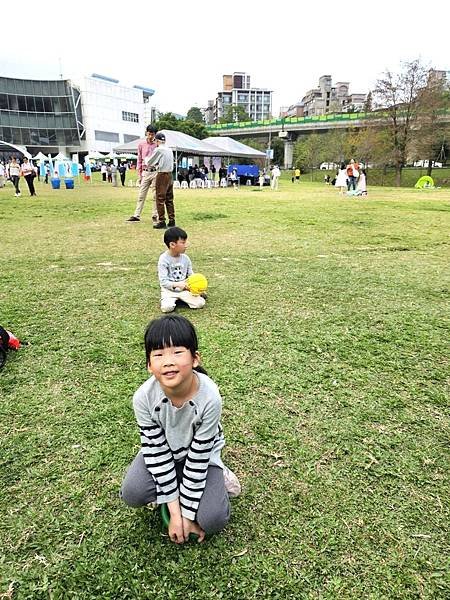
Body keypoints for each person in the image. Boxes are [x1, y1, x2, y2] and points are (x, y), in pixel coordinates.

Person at [120, 314, 240, 544]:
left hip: (201, 457)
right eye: (158, 354)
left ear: (195, 359)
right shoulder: (143, 399)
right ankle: (171, 486)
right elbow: (157, 452)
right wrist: (175, 513)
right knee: (133, 493)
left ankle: (220, 476)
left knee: (213, 519)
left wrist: (186, 515)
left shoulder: (210, 398)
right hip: (164, 452)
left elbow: (198, 457)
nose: (168, 361)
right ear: (149, 365)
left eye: (177, 352)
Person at [157, 226, 205, 312]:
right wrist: (177, 284)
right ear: (172, 245)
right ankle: (169, 299)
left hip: (185, 290)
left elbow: (191, 275)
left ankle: (183, 299)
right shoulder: (163, 259)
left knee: (200, 303)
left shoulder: (186, 258)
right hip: (169, 291)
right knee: (167, 308)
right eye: (183, 243)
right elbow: (163, 282)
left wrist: (197, 286)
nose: (186, 245)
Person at [127, 125, 158, 223]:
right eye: (149, 134)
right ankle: (136, 215)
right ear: (146, 133)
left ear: (155, 134)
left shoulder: (157, 145)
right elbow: (139, 160)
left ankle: (155, 215)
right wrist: (139, 174)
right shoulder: (141, 145)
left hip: (155, 171)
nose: (150, 136)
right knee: (141, 195)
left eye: (152, 134)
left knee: (155, 195)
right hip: (145, 172)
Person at [146, 132, 175, 229]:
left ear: (157, 141)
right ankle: (172, 220)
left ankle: (162, 220)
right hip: (170, 174)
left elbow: (150, 162)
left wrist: (146, 159)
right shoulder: (170, 150)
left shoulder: (158, 150)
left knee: (160, 198)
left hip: (162, 174)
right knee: (169, 198)